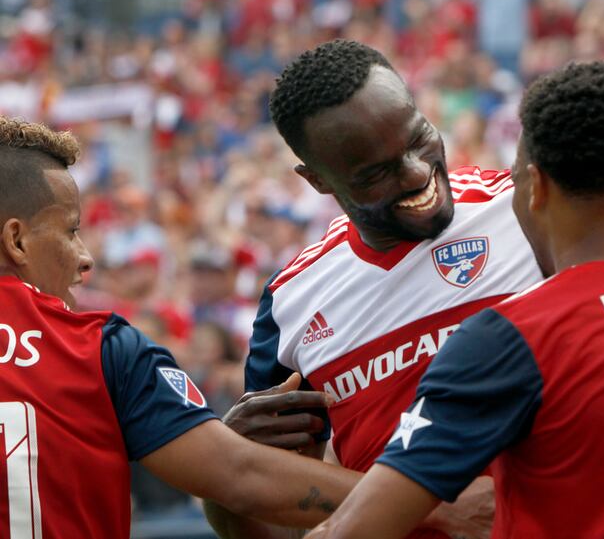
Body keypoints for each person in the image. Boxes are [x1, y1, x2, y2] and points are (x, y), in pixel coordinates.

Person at [206, 40, 604, 538]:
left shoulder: (530, 207)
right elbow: (267, 508)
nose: (417, 173)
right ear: (316, 181)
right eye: (376, 171)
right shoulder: (292, 301)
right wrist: (229, 486)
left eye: (418, 137)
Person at [0, 116, 371, 537]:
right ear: (17, 241)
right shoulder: (99, 348)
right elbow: (241, 476)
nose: (85, 257)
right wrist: (422, 499)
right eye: (71, 231)